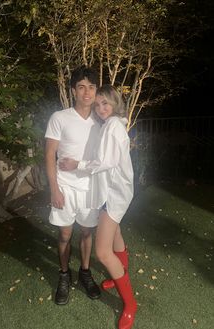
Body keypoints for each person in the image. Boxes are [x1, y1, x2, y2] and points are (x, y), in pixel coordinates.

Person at [60, 85, 137, 329]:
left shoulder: (113, 125)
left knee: (103, 252)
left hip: (115, 195)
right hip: (112, 191)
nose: (101, 108)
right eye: (98, 104)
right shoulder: (111, 124)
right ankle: (118, 276)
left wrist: (76, 164)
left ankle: (130, 305)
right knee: (115, 234)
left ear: (115, 104)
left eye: (106, 103)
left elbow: (106, 162)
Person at [45, 66, 101, 305]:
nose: (86, 92)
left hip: (91, 188)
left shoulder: (102, 120)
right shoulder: (59, 117)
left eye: (91, 87)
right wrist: (54, 189)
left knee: (87, 231)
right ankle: (65, 274)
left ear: (96, 91)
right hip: (65, 186)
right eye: (81, 87)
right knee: (65, 233)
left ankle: (85, 271)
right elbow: (49, 156)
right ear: (73, 91)